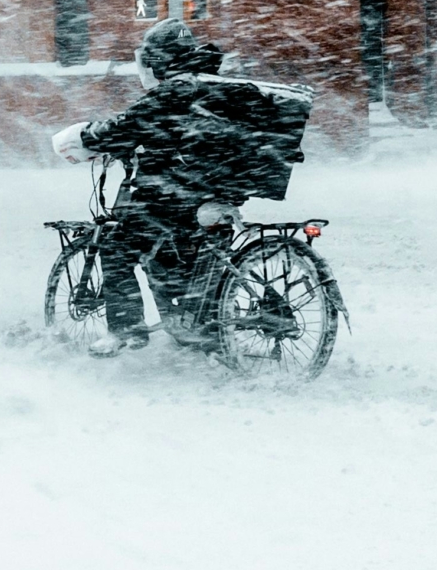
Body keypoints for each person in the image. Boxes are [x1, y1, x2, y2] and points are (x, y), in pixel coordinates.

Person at [51, 20, 310, 355]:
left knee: (117, 246)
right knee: (182, 255)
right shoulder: (211, 84)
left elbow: (127, 126)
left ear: (159, 60)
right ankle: (201, 326)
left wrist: (85, 137)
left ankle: (126, 329)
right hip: (215, 191)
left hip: (178, 194)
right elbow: (187, 134)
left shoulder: (179, 88)